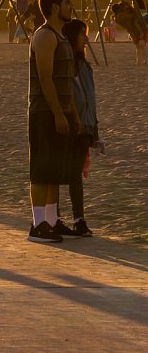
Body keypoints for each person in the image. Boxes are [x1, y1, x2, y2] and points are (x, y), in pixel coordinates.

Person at [27, 0, 81, 243]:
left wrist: (73, 114)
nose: (71, 7)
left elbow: (67, 81)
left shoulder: (61, 37)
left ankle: (51, 220)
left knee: (55, 170)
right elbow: (45, 79)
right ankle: (38, 225)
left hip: (61, 111)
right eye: (66, 3)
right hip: (44, 112)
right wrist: (58, 114)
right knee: (41, 169)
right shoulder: (45, 36)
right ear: (54, 7)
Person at [61, 19, 98, 238]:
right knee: (63, 172)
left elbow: (91, 98)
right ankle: (53, 216)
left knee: (75, 173)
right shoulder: (65, 64)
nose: (86, 38)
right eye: (82, 34)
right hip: (69, 125)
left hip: (85, 126)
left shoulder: (85, 67)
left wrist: (95, 128)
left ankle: (79, 219)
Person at [110, 0, 147, 65]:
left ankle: (140, 60)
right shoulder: (122, 15)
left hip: (133, 30)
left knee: (138, 45)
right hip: (136, 29)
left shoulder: (118, 17)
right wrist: (129, 8)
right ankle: (143, 60)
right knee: (141, 44)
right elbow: (133, 17)